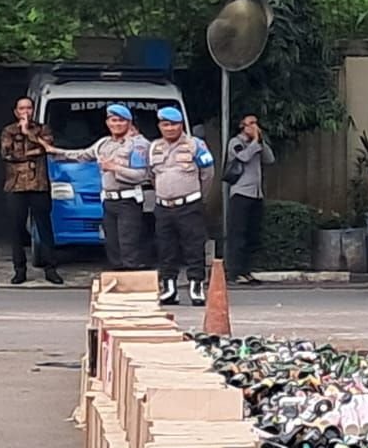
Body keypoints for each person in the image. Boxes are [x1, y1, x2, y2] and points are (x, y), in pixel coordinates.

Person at [40, 104, 152, 270]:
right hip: (108, 201)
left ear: (129, 122)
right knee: (112, 245)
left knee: (129, 245)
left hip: (128, 201)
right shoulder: (104, 144)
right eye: (113, 120)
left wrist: (115, 168)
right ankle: (118, 281)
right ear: (107, 122)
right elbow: (82, 155)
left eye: (121, 121)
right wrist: (54, 150)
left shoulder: (138, 144)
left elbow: (142, 175)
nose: (117, 124)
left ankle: (133, 283)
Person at [149, 107, 215, 306]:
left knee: (194, 246)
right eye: (165, 124)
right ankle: (169, 287)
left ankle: (196, 286)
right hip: (163, 206)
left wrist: (197, 197)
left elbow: (208, 174)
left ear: (181, 125)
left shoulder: (196, 145)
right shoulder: (154, 147)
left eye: (174, 124)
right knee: (165, 247)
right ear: (160, 126)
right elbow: (152, 176)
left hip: (189, 204)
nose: (169, 128)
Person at [0, 97, 62, 284]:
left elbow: (48, 148)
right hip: (16, 186)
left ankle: (50, 269)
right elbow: (7, 154)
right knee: (17, 229)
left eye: (28, 107)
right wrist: (33, 151)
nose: (25, 111)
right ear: (16, 111)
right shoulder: (8, 131)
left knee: (44, 227)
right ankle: (19, 270)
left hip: (39, 185)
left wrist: (28, 133)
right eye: (22, 108)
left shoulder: (43, 129)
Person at [225, 113, 275, 286]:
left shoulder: (258, 144)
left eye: (256, 123)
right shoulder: (235, 142)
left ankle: (246, 270)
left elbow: (270, 159)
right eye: (250, 124)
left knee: (251, 235)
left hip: (256, 194)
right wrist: (254, 142)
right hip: (241, 193)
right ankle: (235, 271)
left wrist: (260, 141)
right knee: (237, 234)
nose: (254, 127)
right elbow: (243, 157)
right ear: (242, 126)